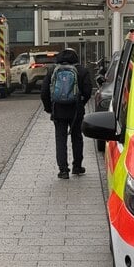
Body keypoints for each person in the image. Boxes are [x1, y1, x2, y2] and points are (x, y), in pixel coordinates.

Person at [40, 46, 93, 179]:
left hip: (58, 110)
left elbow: (44, 93)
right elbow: (87, 92)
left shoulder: (53, 71)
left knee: (60, 139)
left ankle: (63, 170)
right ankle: (77, 167)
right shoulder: (82, 71)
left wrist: (48, 108)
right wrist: (81, 103)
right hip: (76, 110)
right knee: (77, 138)